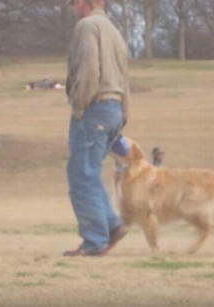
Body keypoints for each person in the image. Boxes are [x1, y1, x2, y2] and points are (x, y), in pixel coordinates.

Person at [64, 0, 131, 257]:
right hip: (114, 110)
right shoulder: (114, 31)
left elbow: (90, 71)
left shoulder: (87, 26)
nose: (72, 7)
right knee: (89, 174)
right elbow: (125, 80)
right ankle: (112, 226)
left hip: (94, 108)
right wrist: (123, 116)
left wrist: (80, 108)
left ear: (83, 3)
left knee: (81, 176)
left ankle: (94, 241)